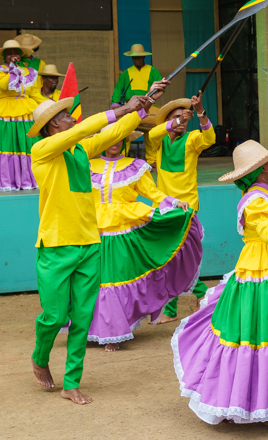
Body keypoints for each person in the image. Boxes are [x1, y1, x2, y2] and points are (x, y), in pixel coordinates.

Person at [172, 139, 268, 425]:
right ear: (261, 171)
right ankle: (264, 405)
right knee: (264, 334)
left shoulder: (264, 195)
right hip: (262, 275)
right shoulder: (255, 200)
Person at [28, 86, 165, 404]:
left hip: (90, 242)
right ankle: (40, 356)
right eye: (64, 116)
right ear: (52, 126)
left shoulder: (79, 150)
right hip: (56, 246)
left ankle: (71, 382)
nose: (71, 119)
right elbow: (93, 125)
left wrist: (141, 107)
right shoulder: (44, 150)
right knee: (54, 315)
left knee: (83, 316)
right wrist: (122, 107)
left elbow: (112, 132)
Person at [87, 131, 202, 351]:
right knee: (95, 278)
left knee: (115, 277)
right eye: (110, 138)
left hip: (124, 231)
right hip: (93, 229)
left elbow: (153, 193)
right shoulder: (87, 165)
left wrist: (175, 203)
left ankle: (114, 332)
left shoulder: (135, 166)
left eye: (120, 138)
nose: (116, 142)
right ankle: (94, 330)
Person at [149, 93, 215, 323]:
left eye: (183, 118)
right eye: (176, 118)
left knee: (177, 256)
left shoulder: (192, 139)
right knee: (170, 257)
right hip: (165, 207)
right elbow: (152, 133)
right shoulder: (159, 141)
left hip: (186, 208)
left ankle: (195, 297)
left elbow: (210, 138)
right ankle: (186, 301)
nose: (181, 122)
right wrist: (175, 122)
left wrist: (199, 112)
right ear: (168, 121)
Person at [0, 39, 44, 191]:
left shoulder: (30, 72)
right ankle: (5, 181)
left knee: (26, 145)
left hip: (25, 112)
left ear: (21, 56)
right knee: (5, 145)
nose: (13, 56)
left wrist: (51, 104)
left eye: (16, 53)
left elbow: (34, 94)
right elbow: (3, 85)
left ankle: (27, 179)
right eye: (9, 54)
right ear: (4, 56)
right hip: (4, 113)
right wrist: (13, 69)